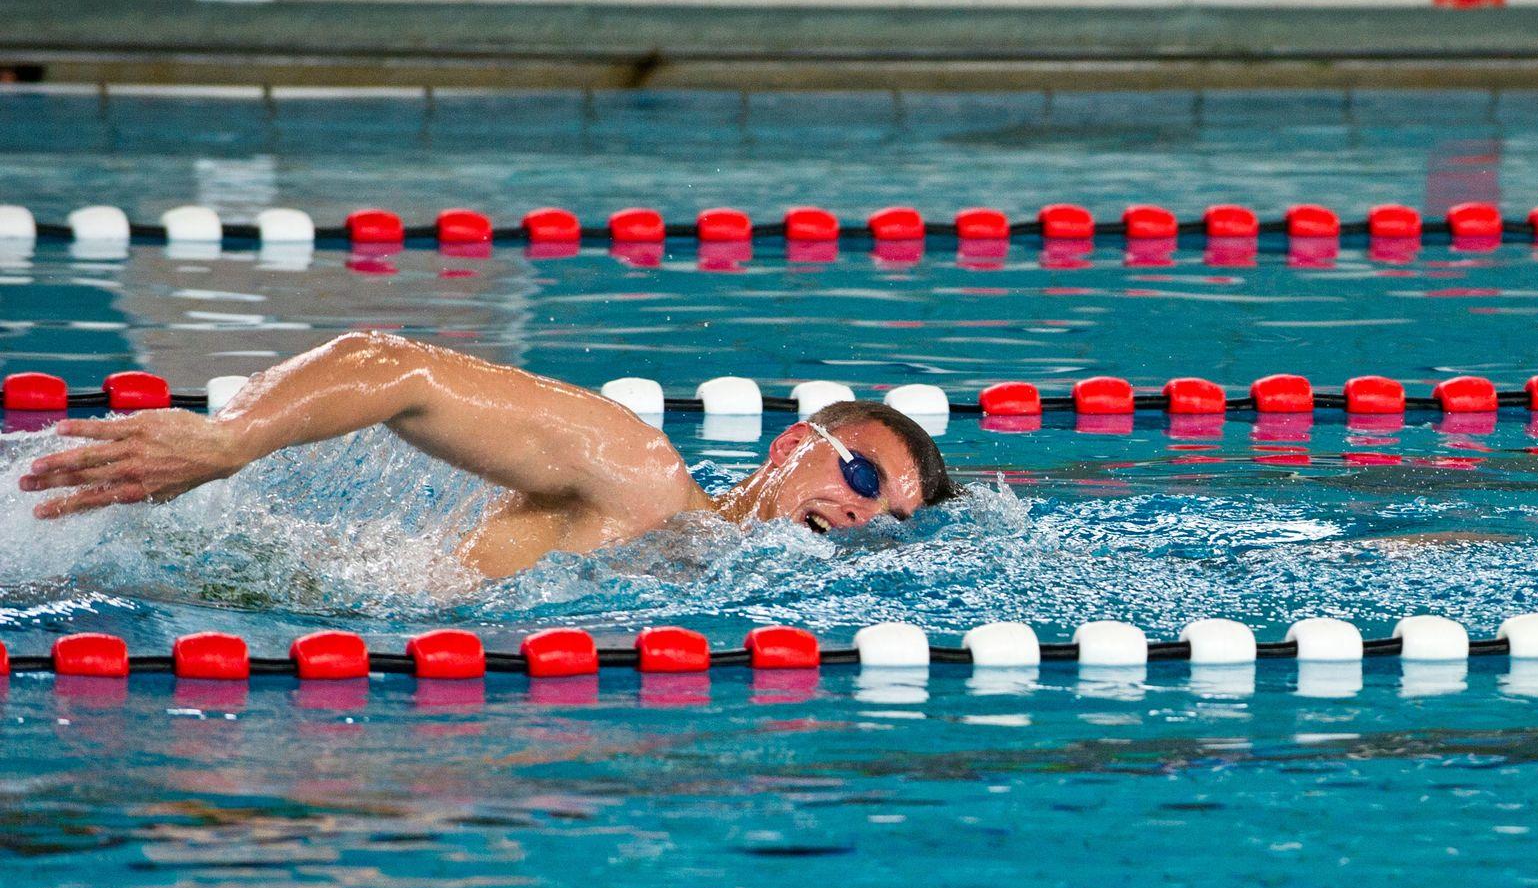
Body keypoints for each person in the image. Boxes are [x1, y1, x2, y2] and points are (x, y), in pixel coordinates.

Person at [15, 331, 954, 578]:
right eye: (863, 475)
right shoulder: (641, 478)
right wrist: (228, 444)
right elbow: (392, 368)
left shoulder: (722, 576)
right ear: (795, 442)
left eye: (891, 517)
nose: (864, 513)